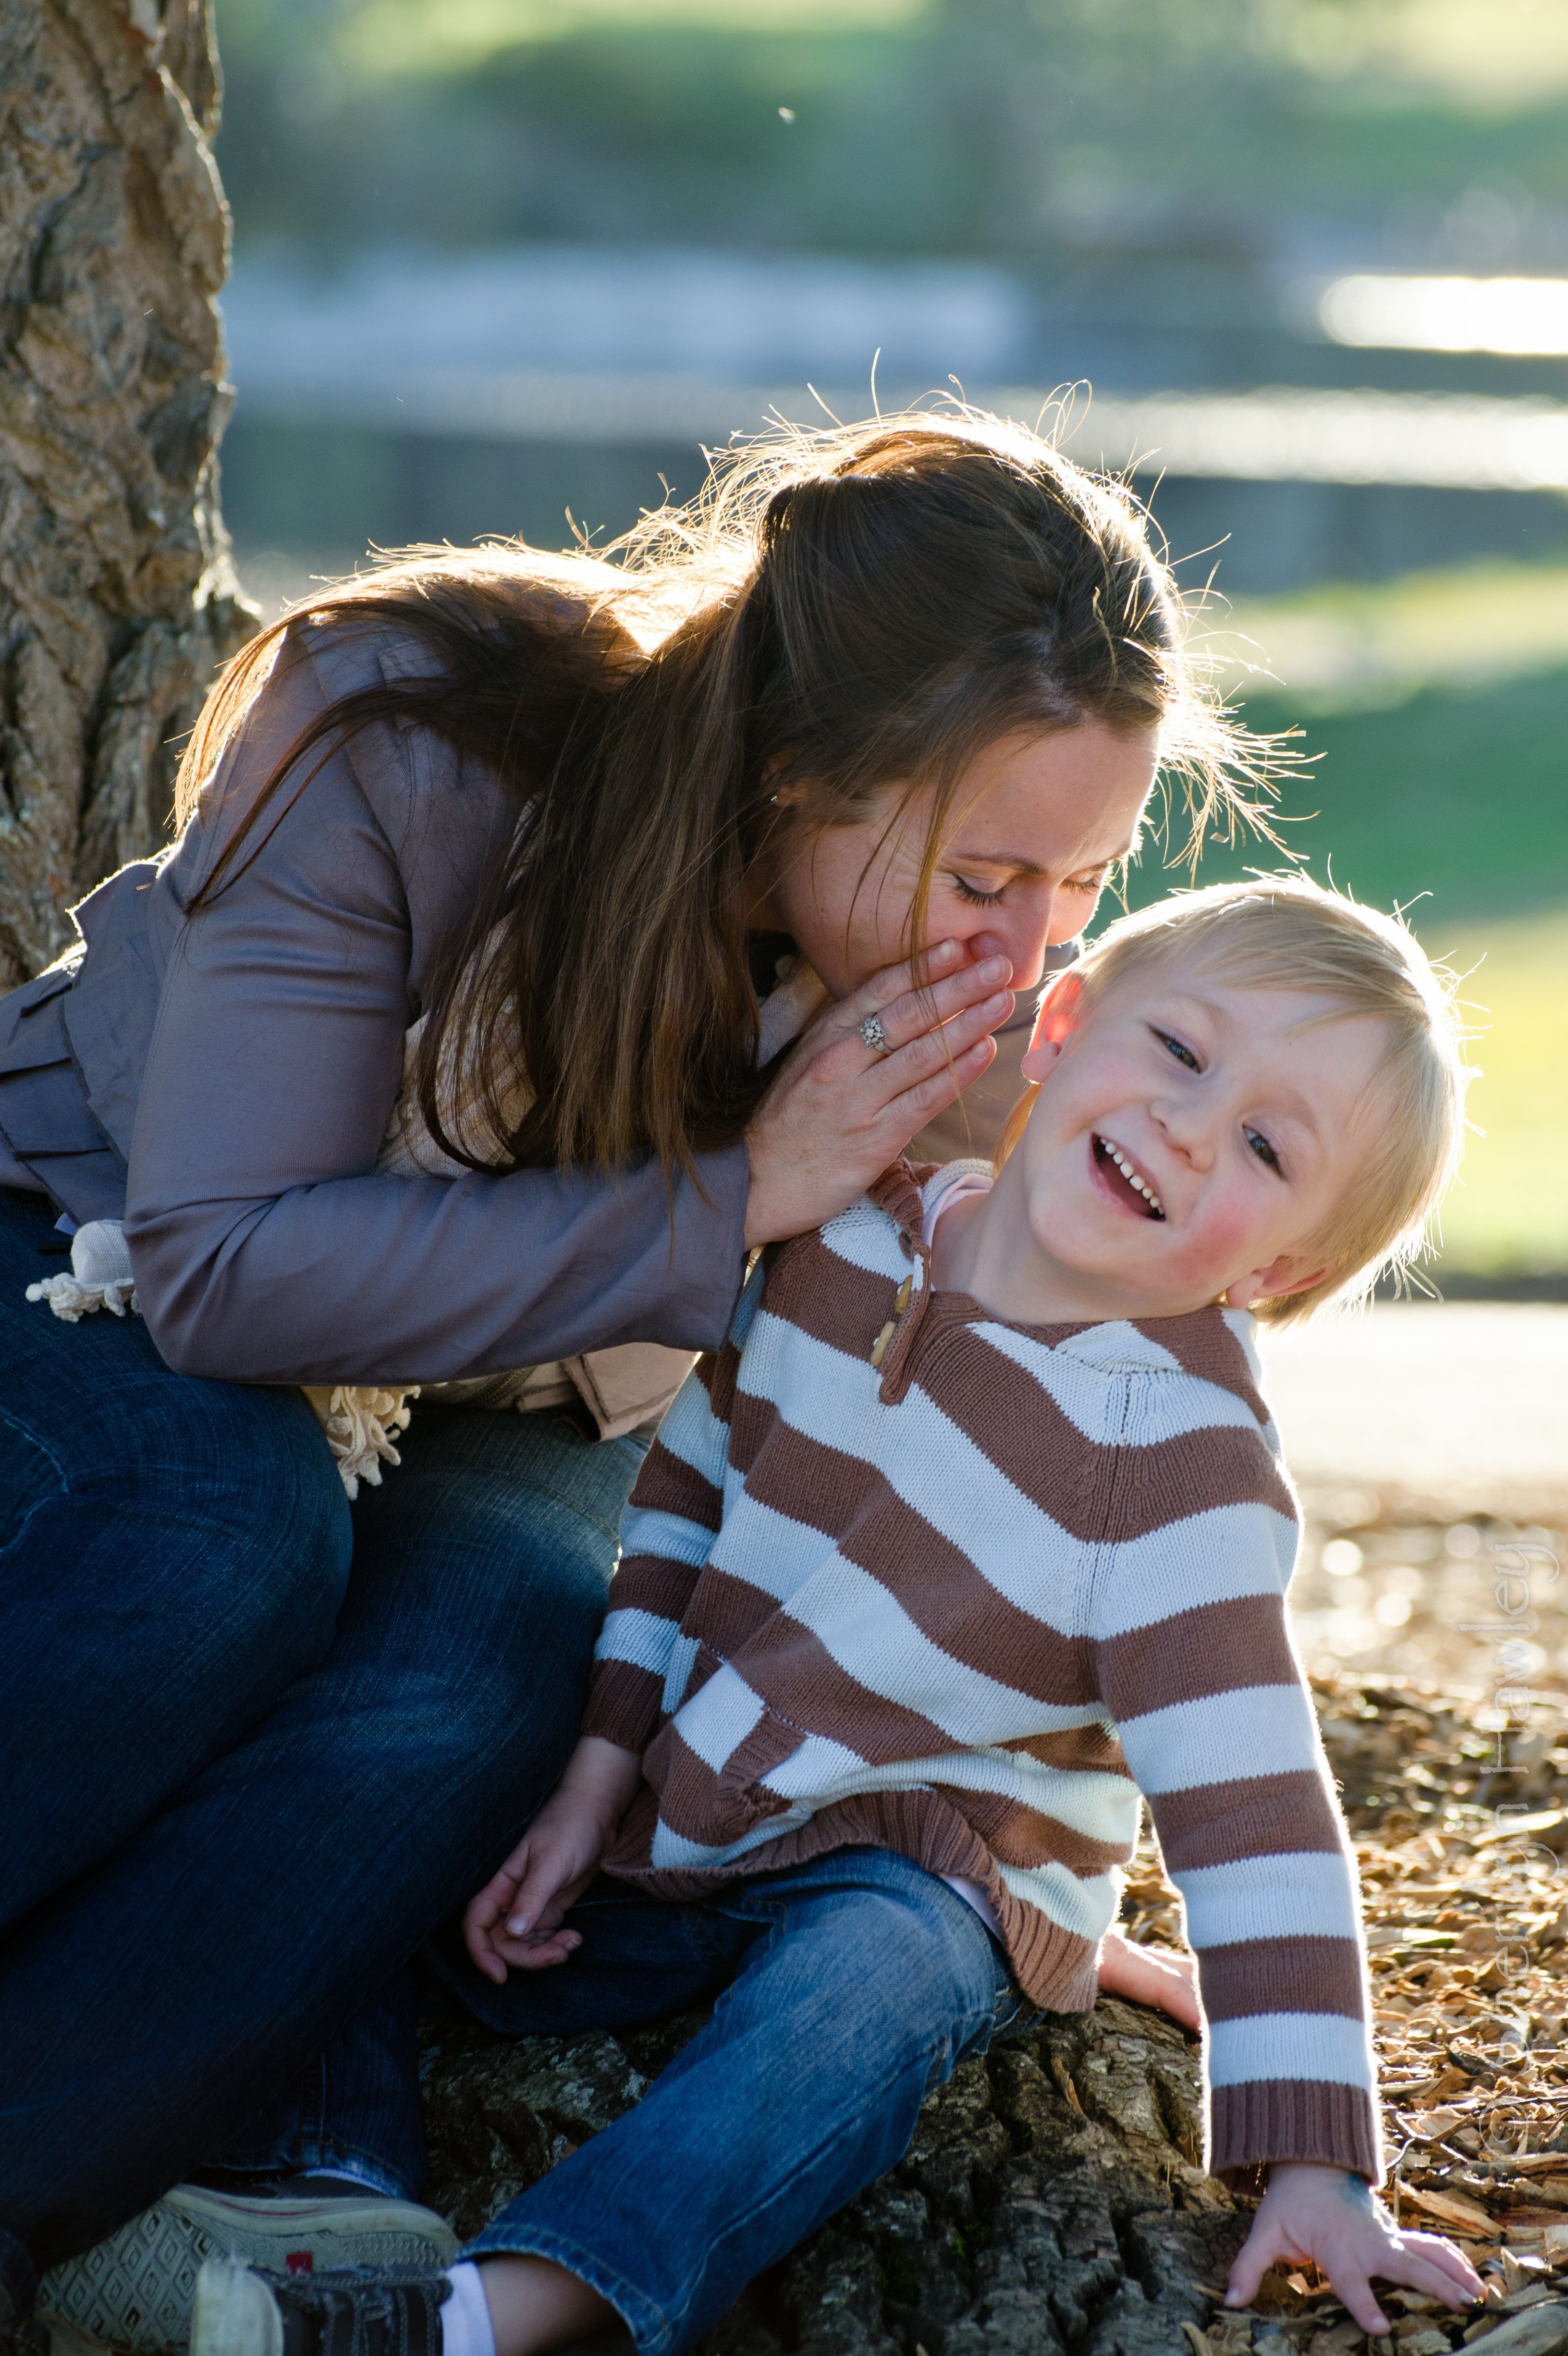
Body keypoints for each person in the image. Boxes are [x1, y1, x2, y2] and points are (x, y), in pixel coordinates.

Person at [0, 413, 1259, 2348]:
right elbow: (222, 1262)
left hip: (541, 1397)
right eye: (991, 872)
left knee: (511, 1649)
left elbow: (1075, 1434)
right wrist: (748, 1185)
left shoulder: (964, 998)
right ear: (793, 772)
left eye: (1079, 882)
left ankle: (51, 2163)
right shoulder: (410, 730)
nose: (1030, 954)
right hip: (90, 1257)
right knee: (223, 1541)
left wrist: (1035, 1842)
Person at [192, 877, 1482, 2356]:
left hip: (934, 1857)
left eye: (1265, 1144)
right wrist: (594, 1771)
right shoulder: (854, 1238)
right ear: (1061, 1028)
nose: (1194, 1125)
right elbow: (685, 1493)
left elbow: (1256, 1816)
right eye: (1181, 1052)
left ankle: (498, 2308)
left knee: (879, 1983)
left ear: (1276, 1273)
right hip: (693, 1788)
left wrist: (1319, 2163)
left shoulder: (1177, 1474)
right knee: (406, 1774)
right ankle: (328, 2173)